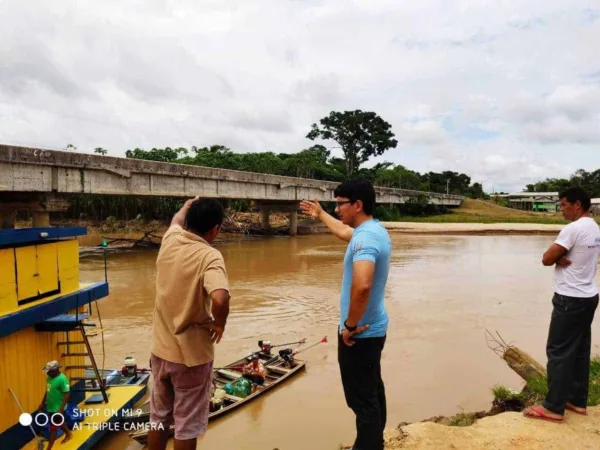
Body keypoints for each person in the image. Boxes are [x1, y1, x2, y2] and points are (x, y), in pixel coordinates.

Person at [300, 179, 391, 450]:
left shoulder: (366, 238)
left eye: (340, 203)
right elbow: (342, 231)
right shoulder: (373, 230)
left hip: (359, 334)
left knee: (361, 402)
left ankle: (369, 445)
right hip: (374, 329)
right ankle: (375, 442)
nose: (337, 208)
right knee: (372, 391)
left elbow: (362, 285)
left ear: (358, 204)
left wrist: (350, 325)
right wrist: (320, 215)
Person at [148, 197, 231, 450]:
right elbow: (220, 297)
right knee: (187, 423)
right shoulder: (209, 256)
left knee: (158, 416)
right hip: (191, 358)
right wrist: (219, 324)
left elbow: (175, 220)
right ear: (215, 229)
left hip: (160, 351)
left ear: (189, 220)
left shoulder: (170, 239)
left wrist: (185, 207)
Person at [524, 187, 600, 423]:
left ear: (577, 205)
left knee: (558, 351)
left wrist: (557, 257)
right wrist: (562, 257)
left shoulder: (573, 228)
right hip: (589, 295)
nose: (561, 209)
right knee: (579, 350)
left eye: (564, 205)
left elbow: (546, 259)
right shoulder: (594, 227)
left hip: (569, 298)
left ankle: (553, 407)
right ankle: (576, 401)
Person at [38, 361, 73, 449]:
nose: (48, 373)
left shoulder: (62, 379)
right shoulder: (49, 378)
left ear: (57, 370)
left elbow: (67, 394)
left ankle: (49, 448)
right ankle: (69, 433)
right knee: (59, 422)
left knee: (53, 428)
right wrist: (42, 403)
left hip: (58, 408)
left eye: (50, 371)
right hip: (51, 407)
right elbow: (48, 391)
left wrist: (61, 409)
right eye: (48, 372)